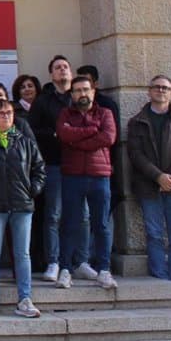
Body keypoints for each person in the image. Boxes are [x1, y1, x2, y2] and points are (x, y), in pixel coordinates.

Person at [0, 99, 45, 318]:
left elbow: (39, 169)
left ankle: (24, 298)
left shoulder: (24, 141)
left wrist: (32, 189)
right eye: (1, 113)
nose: (6, 116)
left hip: (21, 204)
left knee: (22, 253)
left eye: (10, 113)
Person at [126, 74, 171, 283]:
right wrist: (158, 176)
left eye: (165, 88)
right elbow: (135, 154)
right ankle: (159, 277)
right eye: (157, 87)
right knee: (154, 233)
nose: (161, 91)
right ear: (149, 91)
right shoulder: (137, 121)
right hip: (149, 185)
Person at [55, 74, 117, 290]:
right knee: (70, 223)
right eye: (78, 90)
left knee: (101, 225)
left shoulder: (106, 113)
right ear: (72, 94)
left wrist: (78, 140)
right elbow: (64, 135)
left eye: (85, 89)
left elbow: (108, 138)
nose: (82, 94)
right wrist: (92, 132)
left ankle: (104, 270)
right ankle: (65, 269)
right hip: (72, 175)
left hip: (100, 176)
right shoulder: (65, 113)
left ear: (93, 92)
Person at [27, 55, 71, 281]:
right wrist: (55, 134)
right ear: (51, 74)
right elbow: (32, 131)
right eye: (57, 67)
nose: (62, 70)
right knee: (53, 215)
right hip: (53, 164)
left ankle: (77, 261)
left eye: (65, 67)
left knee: (81, 217)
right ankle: (53, 261)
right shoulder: (43, 101)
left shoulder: (80, 97)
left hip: (79, 166)